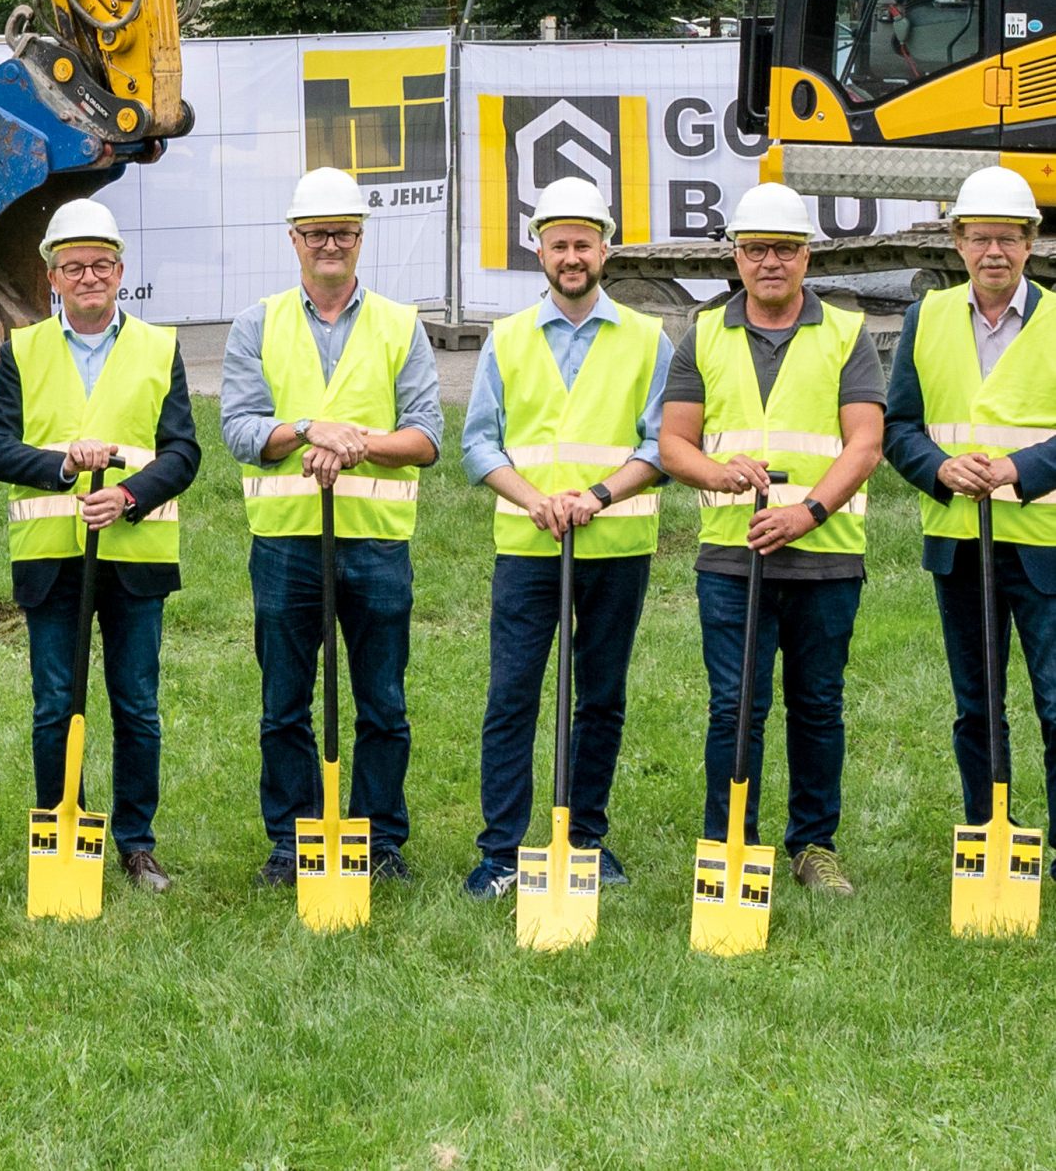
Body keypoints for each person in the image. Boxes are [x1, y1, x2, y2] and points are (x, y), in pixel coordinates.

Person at [658, 182, 883, 896]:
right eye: (756, 250)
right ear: (737, 257)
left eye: (784, 249)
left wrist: (806, 513)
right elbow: (673, 444)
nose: (770, 263)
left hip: (824, 556)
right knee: (736, 706)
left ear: (807, 256)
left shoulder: (847, 334)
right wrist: (719, 473)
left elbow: (865, 443)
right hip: (731, 558)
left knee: (817, 705)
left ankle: (815, 846)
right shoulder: (703, 333)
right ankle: (730, 839)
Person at [220, 167, 441, 887]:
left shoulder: (401, 325)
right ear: (293, 240)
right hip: (286, 540)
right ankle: (293, 842)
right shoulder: (258, 323)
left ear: (360, 238)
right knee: (284, 703)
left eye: (342, 232)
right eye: (316, 233)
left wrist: (359, 442)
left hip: (376, 541)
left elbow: (428, 437)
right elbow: (240, 429)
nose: (329, 245)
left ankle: (378, 842)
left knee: (382, 702)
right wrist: (311, 427)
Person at [0, 197, 201, 892]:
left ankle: (136, 843)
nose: (89, 277)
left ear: (121, 270)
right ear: (52, 277)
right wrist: (64, 467)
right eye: (73, 266)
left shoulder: (159, 348)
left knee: (135, 703)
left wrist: (130, 495)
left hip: (134, 558)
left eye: (101, 264)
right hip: (51, 555)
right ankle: (60, 826)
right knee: (54, 703)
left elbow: (183, 451)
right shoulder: (23, 348)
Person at [459, 176, 671, 899]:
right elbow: (479, 444)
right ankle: (500, 851)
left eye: (584, 243)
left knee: (601, 696)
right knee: (513, 694)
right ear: (539, 251)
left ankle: (586, 837)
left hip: (616, 545)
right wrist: (536, 500)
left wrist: (600, 494)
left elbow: (662, 444)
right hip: (528, 544)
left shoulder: (648, 339)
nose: (571, 256)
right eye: (559, 244)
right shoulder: (507, 338)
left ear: (605, 248)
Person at [884, 165, 1056, 836]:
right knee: (976, 703)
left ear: (1030, 243)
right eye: (980, 237)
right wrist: (940, 468)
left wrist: (1016, 467)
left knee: (1054, 701)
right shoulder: (925, 319)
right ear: (957, 242)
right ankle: (988, 830)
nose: (994, 252)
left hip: (1044, 542)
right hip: (959, 541)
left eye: (1008, 239)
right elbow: (899, 424)